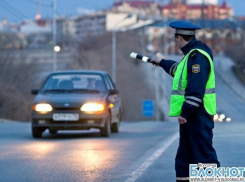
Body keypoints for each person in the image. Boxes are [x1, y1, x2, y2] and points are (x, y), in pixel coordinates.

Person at [150, 21, 220, 182]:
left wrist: (186, 112)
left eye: (176, 37)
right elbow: (178, 70)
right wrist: (161, 62)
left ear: (179, 37)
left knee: (204, 156)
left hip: (198, 114)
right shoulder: (191, 56)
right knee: (185, 157)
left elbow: (196, 88)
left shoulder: (197, 56)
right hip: (193, 116)